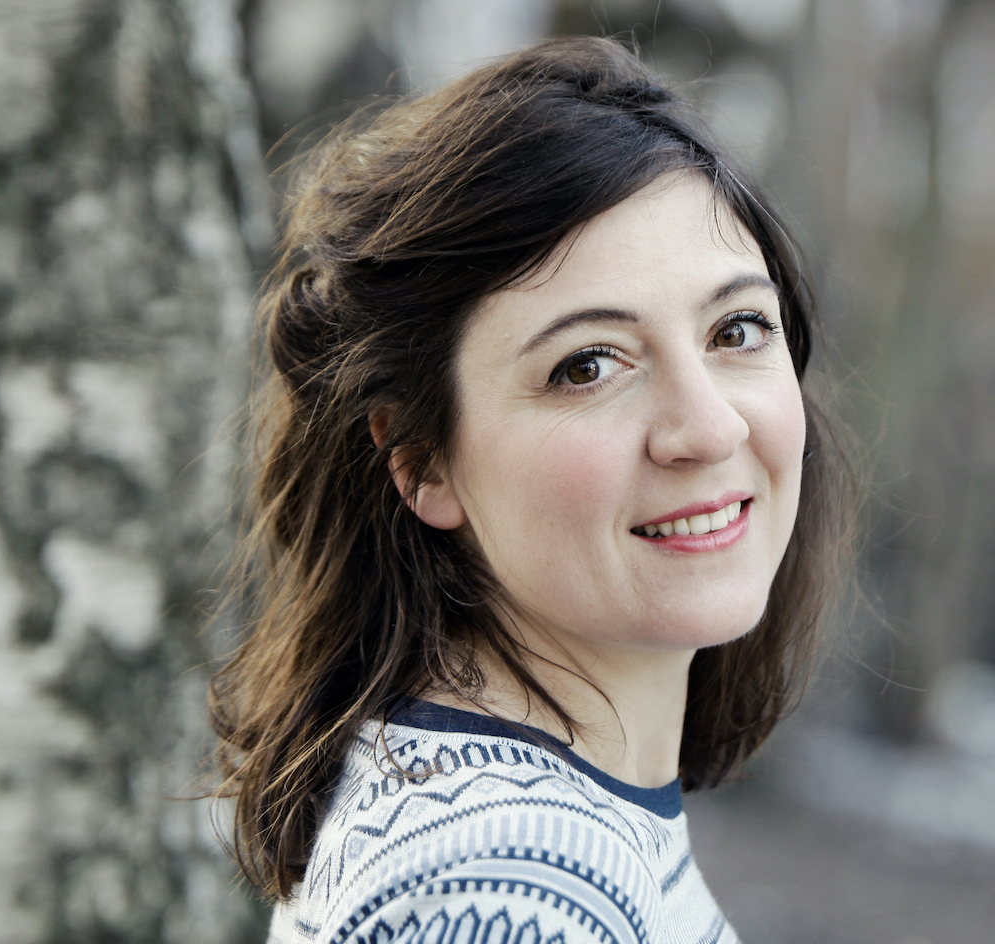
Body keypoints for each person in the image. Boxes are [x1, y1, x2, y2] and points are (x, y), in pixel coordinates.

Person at [210, 35, 851, 943]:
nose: (710, 429)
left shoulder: (499, 816)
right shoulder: (511, 890)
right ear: (422, 460)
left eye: (737, 329)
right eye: (588, 365)